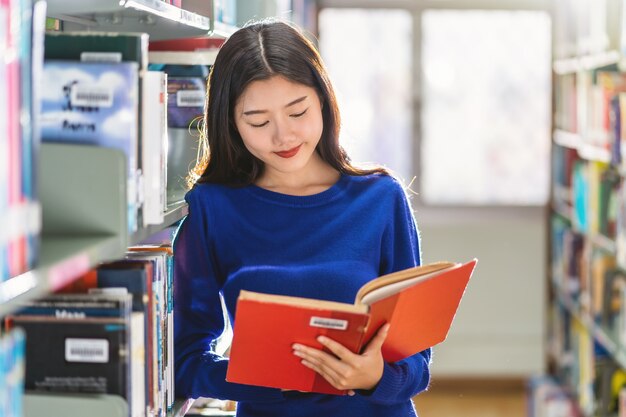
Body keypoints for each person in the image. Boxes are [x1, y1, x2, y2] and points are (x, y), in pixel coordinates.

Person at [173, 19, 431, 417]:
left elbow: (416, 364)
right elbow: (186, 363)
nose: (284, 136)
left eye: (298, 112)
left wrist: (375, 376)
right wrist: (261, 378)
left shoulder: (381, 198)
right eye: (258, 122)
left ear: (324, 102)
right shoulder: (212, 209)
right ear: (230, 124)